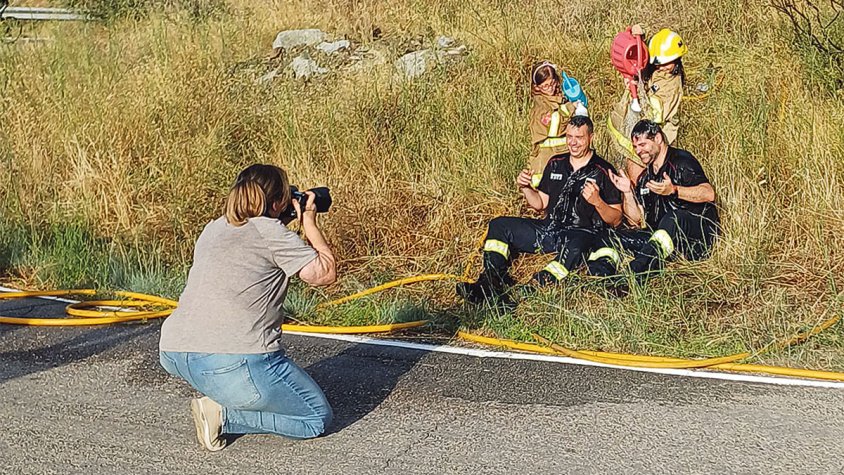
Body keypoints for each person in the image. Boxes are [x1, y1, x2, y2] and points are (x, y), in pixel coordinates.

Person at [159, 164, 336, 452]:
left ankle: (231, 394)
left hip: (175, 351)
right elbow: (324, 273)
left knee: (246, 381)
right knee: (315, 418)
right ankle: (223, 415)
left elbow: (251, 249)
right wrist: (310, 223)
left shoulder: (214, 227)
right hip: (232, 361)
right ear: (278, 202)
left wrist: (280, 223)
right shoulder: (271, 232)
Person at [457, 115, 622, 304]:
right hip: (549, 229)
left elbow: (616, 219)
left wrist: (597, 202)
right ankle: (490, 280)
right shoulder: (555, 163)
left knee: (576, 245)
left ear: (591, 137)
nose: (573, 143)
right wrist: (526, 187)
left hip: (581, 233)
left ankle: (528, 290)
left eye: (579, 138)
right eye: (569, 137)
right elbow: (540, 204)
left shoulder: (603, 170)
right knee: (499, 225)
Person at [588, 120, 719, 284]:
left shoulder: (681, 161)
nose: (638, 151)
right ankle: (602, 278)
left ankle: (632, 276)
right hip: (660, 242)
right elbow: (636, 220)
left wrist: (675, 190)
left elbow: (708, 193)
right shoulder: (646, 178)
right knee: (606, 235)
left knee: (672, 219)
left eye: (643, 144)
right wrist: (628, 192)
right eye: (635, 147)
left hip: (694, 240)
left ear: (658, 138)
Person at [608, 26, 687, 183]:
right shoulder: (657, 71)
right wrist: (640, 41)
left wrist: (639, 93)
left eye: (667, 63)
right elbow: (642, 66)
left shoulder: (672, 85)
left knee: (637, 178)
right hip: (637, 135)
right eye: (658, 64)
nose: (662, 67)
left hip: (651, 137)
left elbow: (656, 114)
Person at [528, 61, 588, 174]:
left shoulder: (560, 98)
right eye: (545, 86)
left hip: (565, 155)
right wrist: (570, 108)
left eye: (552, 83)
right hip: (548, 160)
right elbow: (552, 127)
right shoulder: (540, 105)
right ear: (537, 87)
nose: (550, 88)